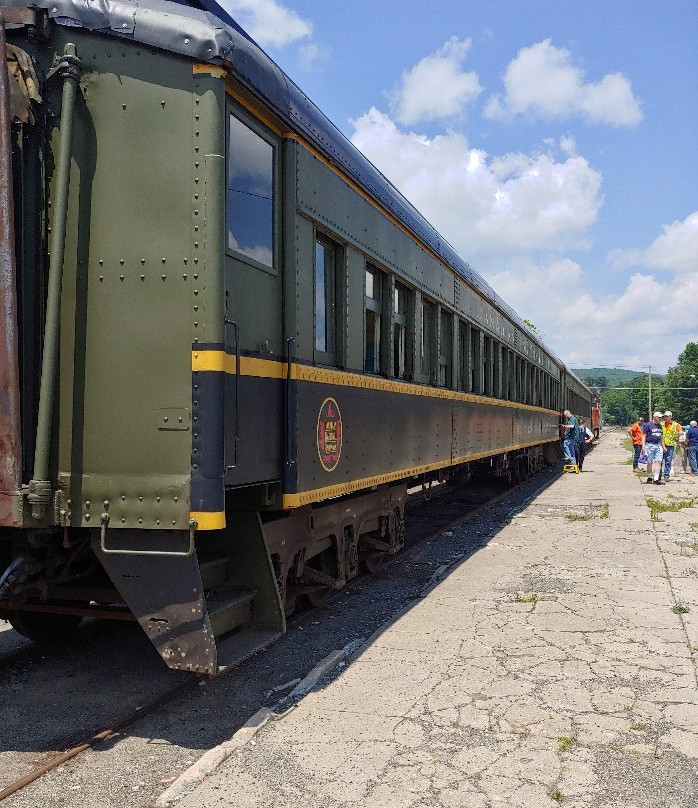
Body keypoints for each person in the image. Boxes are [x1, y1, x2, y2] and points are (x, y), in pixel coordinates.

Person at [642, 411, 666, 484]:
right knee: (650, 462)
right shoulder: (648, 425)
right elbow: (644, 436)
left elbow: (661, 437)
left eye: (661, 418)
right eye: (659, 417)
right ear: (654, 417)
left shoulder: (660, 426)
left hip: (658, 445)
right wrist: (643, 446)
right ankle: (649, 477)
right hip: (649, 445)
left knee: (659, 462)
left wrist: (663, 446)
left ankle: (656, 478)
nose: (660, 419)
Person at [661, 411, 683, 481]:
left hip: (670, 444)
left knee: (668, 460)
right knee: (659, 460)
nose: (666, 418)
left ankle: (666, 475)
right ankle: (658, 474)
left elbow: (681, 432)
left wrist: (679, 433)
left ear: (671, 416)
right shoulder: (661, 424)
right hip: (661, 444)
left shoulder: (676, 425)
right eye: (665, 416)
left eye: (667, 416)